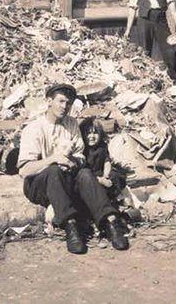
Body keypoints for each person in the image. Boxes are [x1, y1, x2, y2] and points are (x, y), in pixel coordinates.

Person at [18, 84, 129, 255]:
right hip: (40, 185)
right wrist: (53, 160)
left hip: (66, 180)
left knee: (85, 173)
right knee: (54, 171)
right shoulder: (34, 129)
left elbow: (81, 156)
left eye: (68, 103)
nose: (65, 107)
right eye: (60, 101)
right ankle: (71, 227)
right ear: (49, 101)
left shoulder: (71, 125)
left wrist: (73, 162)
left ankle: (110, 222)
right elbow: (25, 170)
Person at [123, 0, 176, 72]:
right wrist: (128, 30)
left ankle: (174, 77)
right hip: (144, 20)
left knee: (170, 50)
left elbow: (171, 0)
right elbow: (132, 8)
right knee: (144, 51)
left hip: (161, 19)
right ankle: (146, 78)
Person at [81, 117, 126, 203]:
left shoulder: (102, 146)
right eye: (88, 133)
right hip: (89, 177)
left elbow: (106, 161)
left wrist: (106, 175)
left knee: (117, 177)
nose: (91, 136)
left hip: (101, 173)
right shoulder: (83, 149)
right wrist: (100, 180)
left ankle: (114, 197)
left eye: (95, 133)